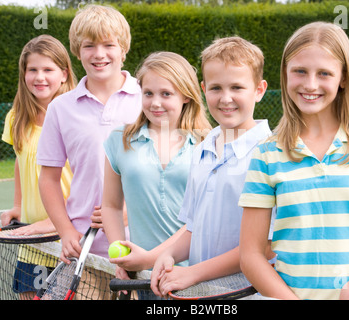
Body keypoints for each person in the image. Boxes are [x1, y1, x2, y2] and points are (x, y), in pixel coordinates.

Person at [238, 21, 349, 300]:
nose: (310, 84)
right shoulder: (266, 153)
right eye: (300, 71)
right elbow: (250, 255)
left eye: (324, 73)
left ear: (343, 78)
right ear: (285, 74)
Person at [150, 36, 275, 297]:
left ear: (259, 90)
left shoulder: (272, 153)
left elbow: (267, 245)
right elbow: (193, 227)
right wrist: (168, 254)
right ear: (204, 89)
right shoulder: (203, 148)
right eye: (216, 88)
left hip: (249, 293)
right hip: (201, 293)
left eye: (237, 88)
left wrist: (193, 273)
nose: (225, 98)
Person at [37, 5, 142, 299]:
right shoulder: (60, 108)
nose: (99, 54)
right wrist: (66, 231)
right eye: (89, 46)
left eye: (109, 45)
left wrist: (125, 211)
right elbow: (48, 179)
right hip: (85, 251)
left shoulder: (149, 99)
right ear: (77, 51)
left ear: (123, 50)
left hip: (142, 250)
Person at [101, 52, 212, 297]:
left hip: (199, 277)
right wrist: (122, 254)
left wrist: (151, 258)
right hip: (146, 279)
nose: (155, 103)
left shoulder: (209, 144)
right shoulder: (121, 140)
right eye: (148, 93)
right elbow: (110, 206)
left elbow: (203, 216)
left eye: (166, 94)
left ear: (186, 95)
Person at [1, 34, 76, 300]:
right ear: (24, 75)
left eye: (48, 69)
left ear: (64, 74)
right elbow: (21, 161)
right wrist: (18, 206)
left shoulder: (77, 116)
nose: (39, 77)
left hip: (69, 240)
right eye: (32, 70)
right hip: (32, 242)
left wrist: (55, 220)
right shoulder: (16, 117)